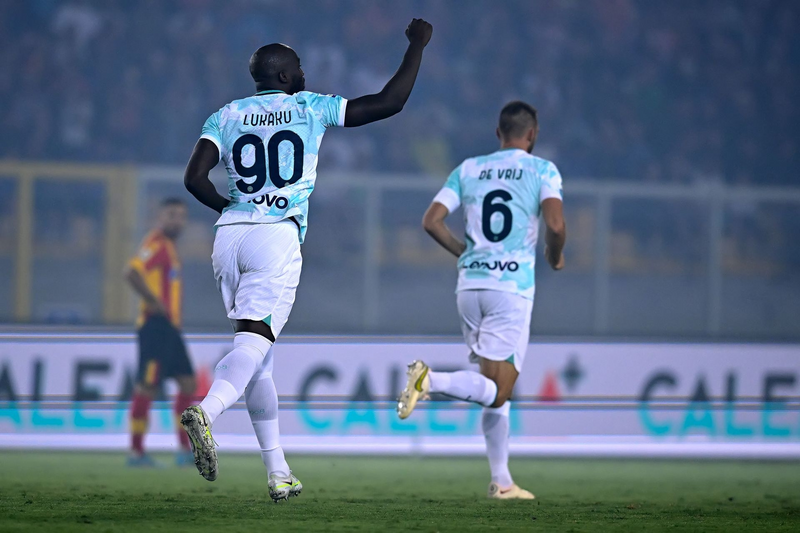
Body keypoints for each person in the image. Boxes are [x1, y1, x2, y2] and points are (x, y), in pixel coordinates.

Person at [181, 19, 434, 501]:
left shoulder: (227, 114)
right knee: (255, 344)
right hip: (274, 238)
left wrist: (234, 208)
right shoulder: (309, 107)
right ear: (283, 77)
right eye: (298, 70)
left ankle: (278, 474)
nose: (304, 74)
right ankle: (207, 412)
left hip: (229, 237)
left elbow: (194, 178)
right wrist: (416, 45)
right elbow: (389, 102)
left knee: (260, 357)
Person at [397, 101, 566, 500]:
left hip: (469, 287)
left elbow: (431, 220)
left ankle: (502, 481)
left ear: (498, 134)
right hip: (509, 288)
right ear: (533, 134)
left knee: (493, 392)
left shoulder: (469, 168)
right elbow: (556, 224)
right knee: (500, 389)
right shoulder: (542, 169)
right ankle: (430, 380)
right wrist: (555, 254)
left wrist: (465, 253)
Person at [125, 197, 195, 467]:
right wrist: (153, 301)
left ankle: (183, 451)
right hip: (155, 327)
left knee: (188, 383)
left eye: (180, 216)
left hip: (170, 329)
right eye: (171, 215)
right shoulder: (155, 243)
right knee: (147, 386)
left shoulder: (169, 248)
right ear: (160, 217)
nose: (176, 220)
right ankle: (136, 453)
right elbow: (131, 272)